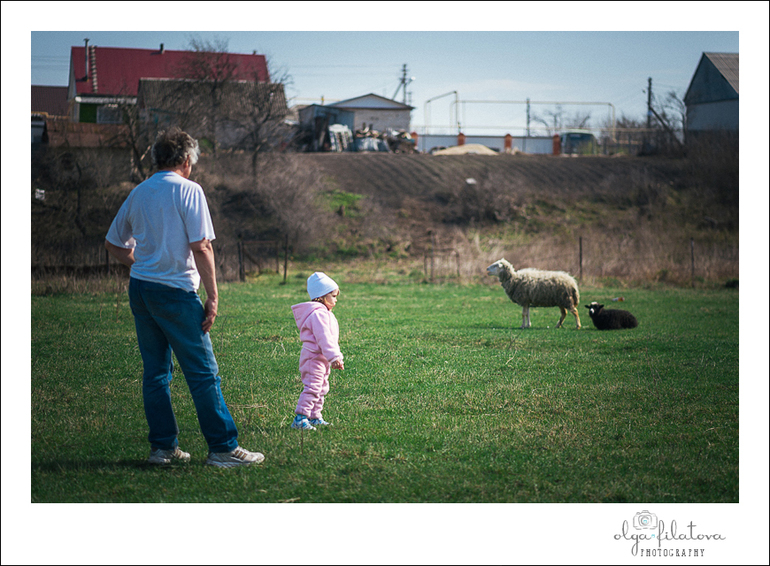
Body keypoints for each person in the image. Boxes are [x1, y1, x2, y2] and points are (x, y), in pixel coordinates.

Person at [105, 127, 264, 468]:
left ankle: (162, 449)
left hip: (142, 290)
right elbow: (202, 246)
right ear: (185, 160)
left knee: (156, 374)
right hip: (176, 292)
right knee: (203, 373)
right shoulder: (189, 191)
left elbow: (114, 244)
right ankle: (223, 448)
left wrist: (142, 265)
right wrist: (214, 295)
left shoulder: (139, 193)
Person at [290, 272, 345, 430]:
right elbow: (324, 338)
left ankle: (315, 416)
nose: (336, 300)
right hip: (313, 358)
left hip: (322, 359)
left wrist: (332, 358)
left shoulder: (324, 313)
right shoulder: (318, 314)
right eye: (333, 296)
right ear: (321, 296)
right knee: (313, 387)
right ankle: (300, 418)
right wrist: (334, 357)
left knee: (322, 387)